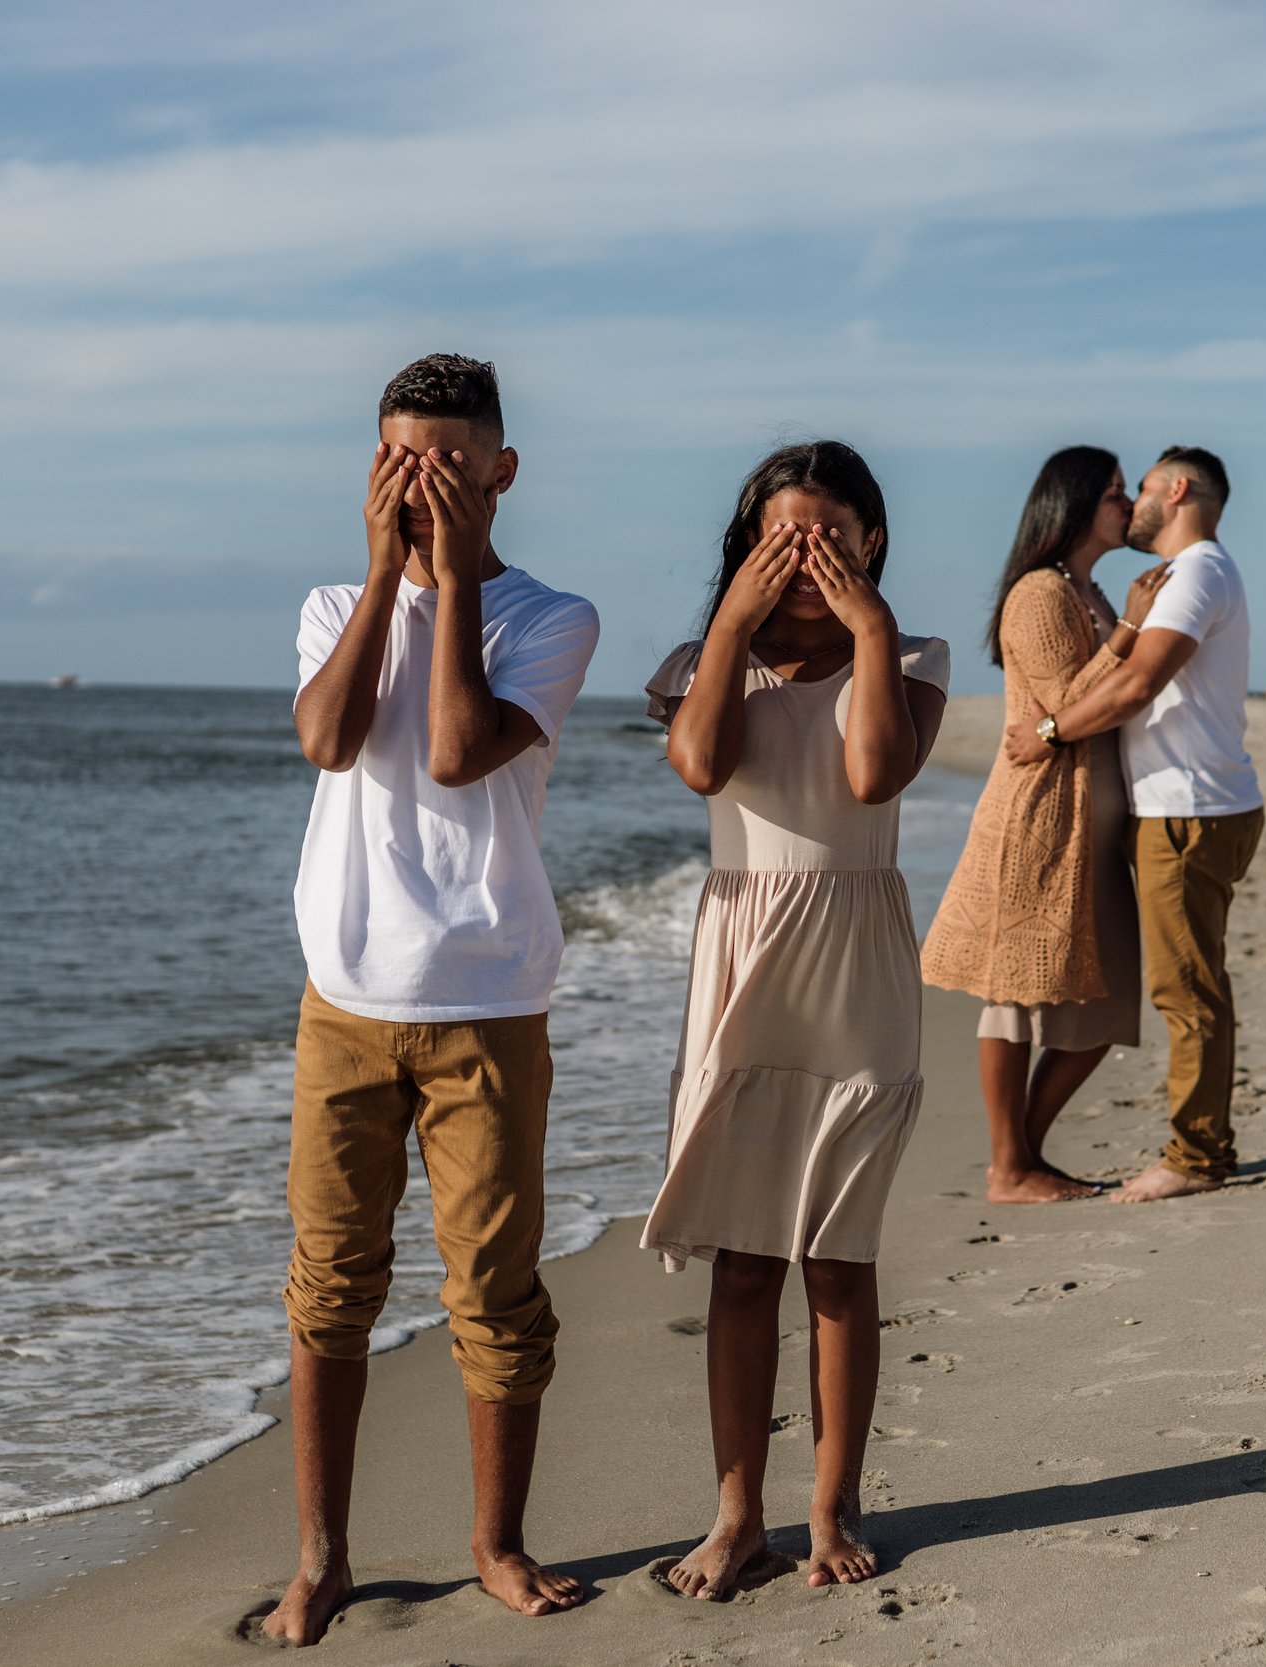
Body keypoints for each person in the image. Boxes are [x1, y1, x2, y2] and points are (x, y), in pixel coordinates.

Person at [267, 354, 600, 1644]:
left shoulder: (548, 617)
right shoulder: (326, 603)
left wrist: (452, 577)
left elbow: (458, 751)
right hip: (341, 997)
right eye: (402, 461)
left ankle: (496, 1544)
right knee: (330, 1283)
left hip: (488, 998)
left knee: (495, 1291)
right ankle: (322, 1555)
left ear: (501, 470)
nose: (425, 484)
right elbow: (329, 737)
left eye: (451, 463)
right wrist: (383, 577)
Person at [639, 440, 950, 1598]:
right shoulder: (699, 659)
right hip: (743, 955)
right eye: (784, 538)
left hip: (857, 961)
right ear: (746, 547)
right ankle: (734, 1515)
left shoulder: (910, 653)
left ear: (872, 540)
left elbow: (872, 777)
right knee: (739, 1260)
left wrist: (868, 631)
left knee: (837, 1255)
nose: (808, 557)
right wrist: (730, 627)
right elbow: (698, 763)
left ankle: (831, 1504)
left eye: (830, 534)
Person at [1002, 447, 1264, 1204]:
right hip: (1192, 805)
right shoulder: (1195, 574)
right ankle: (1199, 1145)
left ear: (1176, 489)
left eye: (1141, 488)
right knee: (1193, 985)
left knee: (1187, 991)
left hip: (1188, 811)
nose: (1133, 502)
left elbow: (1138, 683)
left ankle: (1197, 1156)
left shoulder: (1198, 571)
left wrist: (1049, 732)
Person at [922, 447, 1165, 1202]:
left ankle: (1022, 1155)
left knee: (1108, 1000)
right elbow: (1068, 701)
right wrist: (1129, 629)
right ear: (1076, 504)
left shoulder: (1088, 590)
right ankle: (1009, 1165)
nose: (1128, 506)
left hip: (1094, 824)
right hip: (1037, 819)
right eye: (1117, 494)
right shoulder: (1038, 592)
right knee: (1016, 996)